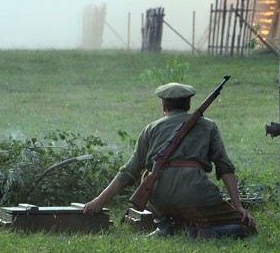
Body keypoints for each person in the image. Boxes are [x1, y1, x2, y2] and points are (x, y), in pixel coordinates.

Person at [83, 82, 256, 238]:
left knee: (147, 174)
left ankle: (165, 226)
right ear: (188, 105)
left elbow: (129, 170)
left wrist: (99, 201)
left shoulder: (150, 129)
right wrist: (238, 206)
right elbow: (224, 167)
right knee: (245, 228)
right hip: (196, 195)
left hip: (160, 199)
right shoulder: (208, 126)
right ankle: (203, 232)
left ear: (164, 107)